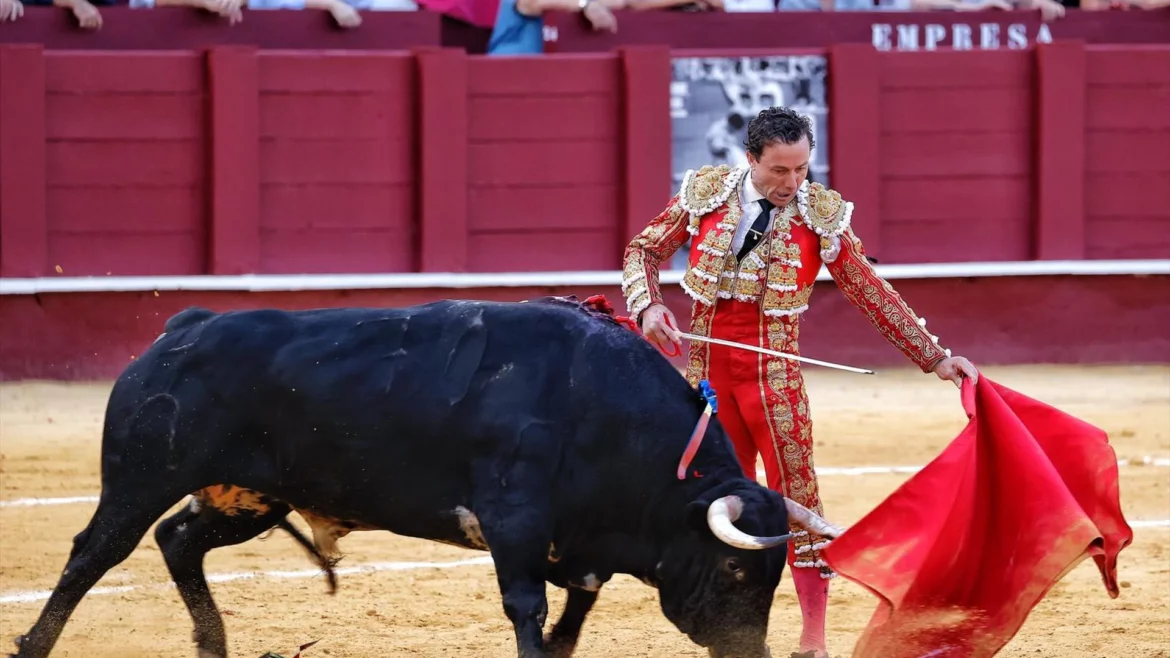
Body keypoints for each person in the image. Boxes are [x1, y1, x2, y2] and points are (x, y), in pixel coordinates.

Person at [620, 106, 978, 658]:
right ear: (750, 160)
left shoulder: (821, 213)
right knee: (716, 503)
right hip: (707, 379)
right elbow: (644, 249)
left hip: (773, 378)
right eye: (779, 172)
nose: (792, 183)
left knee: (799, 499)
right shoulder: (707, 193)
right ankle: (729, 632)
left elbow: (868, 290)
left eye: (802, 169)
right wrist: (647, 307)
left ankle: (813, 640)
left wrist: (934, 357)